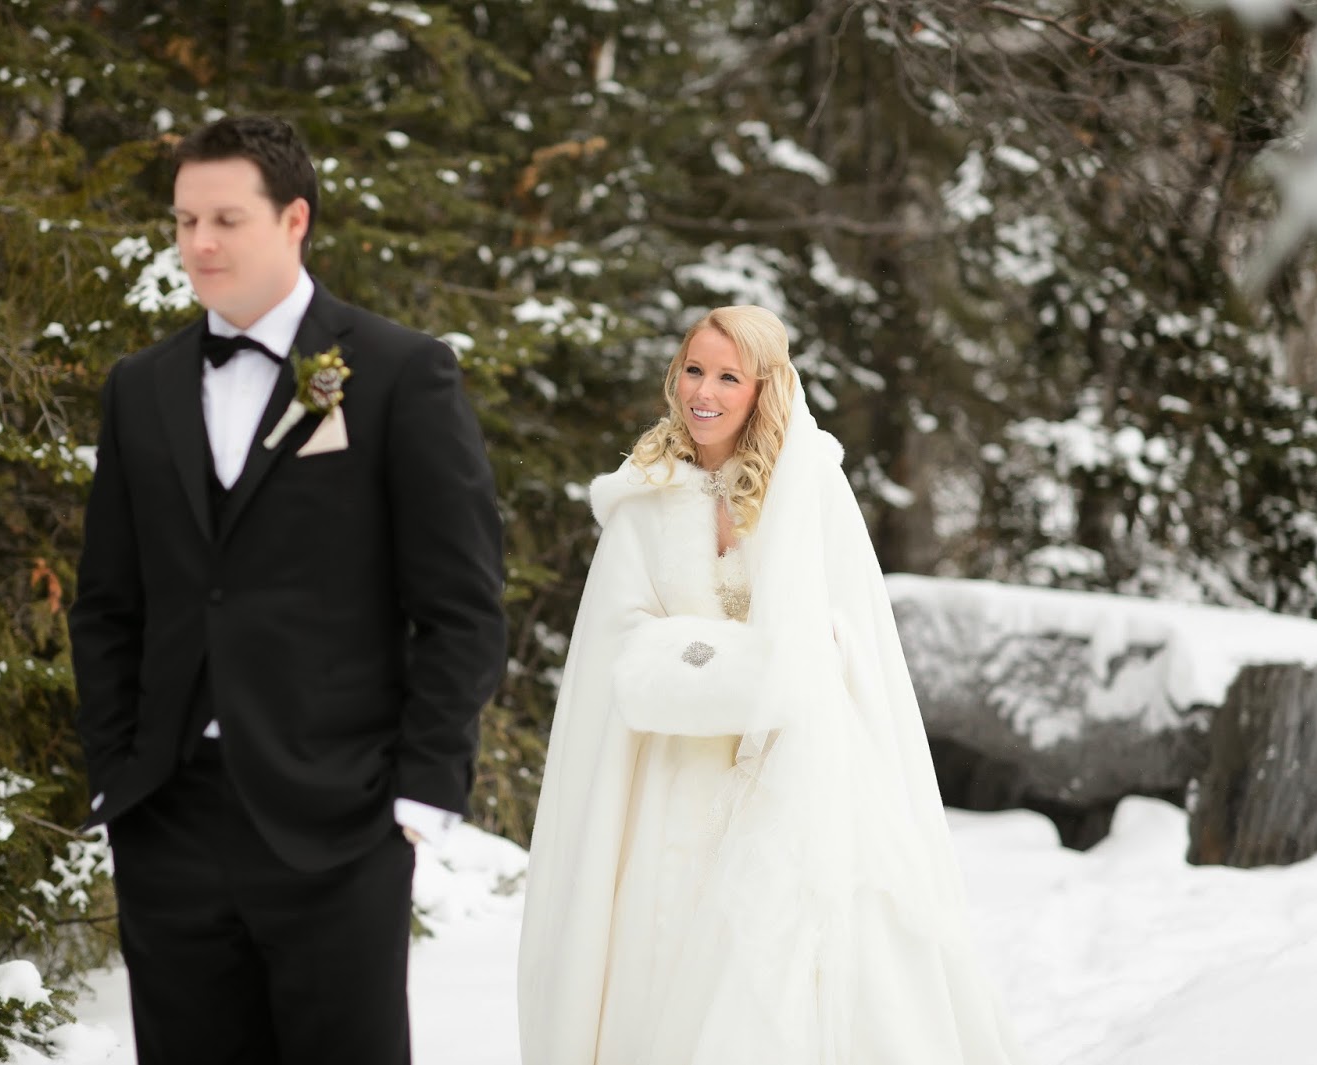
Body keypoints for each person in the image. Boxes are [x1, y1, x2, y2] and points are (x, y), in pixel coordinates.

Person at [68, 114, 506, 1065]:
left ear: (294, 219)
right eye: (185, 221)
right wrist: (117, 773)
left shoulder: (399, 373)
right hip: (167, 819)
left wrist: (420, 790)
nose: (200, 243)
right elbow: (107, 600)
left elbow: (462, 605)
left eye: (226, 219)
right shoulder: (139, 386)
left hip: (340, 818)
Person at [517, 306, 1024, 1064]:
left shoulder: (810, 482)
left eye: (729, 377)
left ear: (764, 388)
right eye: (694, 370)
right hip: (677, 772)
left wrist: (789, 664)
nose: (704, 392)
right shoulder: (646, 494)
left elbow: (848, 627)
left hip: (797, 764)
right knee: (672, 942)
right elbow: (621, 640)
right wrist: (741, 664)